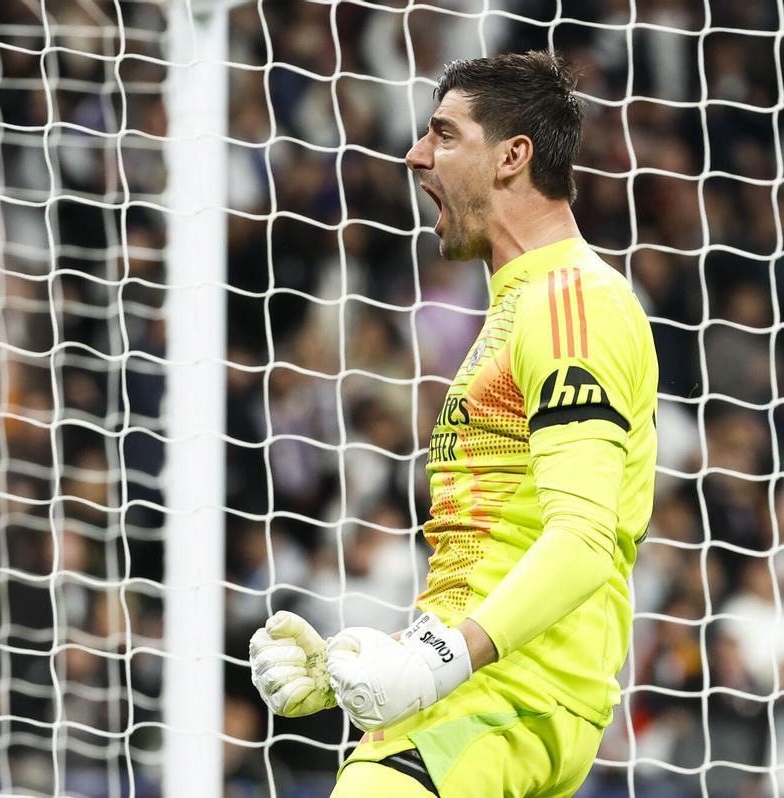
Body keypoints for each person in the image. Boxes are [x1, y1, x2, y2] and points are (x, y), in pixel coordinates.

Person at [249, 51, 658, 797]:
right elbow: (495, 543)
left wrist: (436, 663)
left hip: (500, 705)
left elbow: (581, 539)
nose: (415, 153)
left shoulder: (572, 303)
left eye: (444, 134)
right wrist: (364, 665)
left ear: (512, 156)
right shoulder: (518, 307)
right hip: (489, 704)